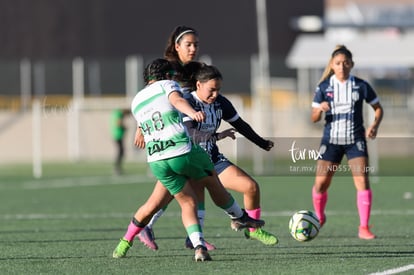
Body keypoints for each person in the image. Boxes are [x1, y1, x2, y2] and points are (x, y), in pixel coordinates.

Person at [112, 58, 265, 262]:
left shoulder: (136, 100)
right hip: (181, 150)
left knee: (183, 202)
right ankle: (239, 216)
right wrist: (192, 112)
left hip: (157, 160)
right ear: (167, 76)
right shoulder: (167, 85)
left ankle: (129, 243)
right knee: (212, 181)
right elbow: (177, 100)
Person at [310, 45, 384, 240]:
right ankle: (319, 216)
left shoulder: (360, 85)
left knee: (362, 181)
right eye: (338, 63)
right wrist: (320, 110)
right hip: (331, 141)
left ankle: (364, 227)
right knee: (321, 184)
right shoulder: (324, 87)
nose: (342, 66)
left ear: (352, 65)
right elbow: (314, 117)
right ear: (332, 65)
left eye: (345, 63)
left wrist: (374, 125)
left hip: (355, 140)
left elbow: (378, 108)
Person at [110, 108, 129, 175]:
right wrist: (124, 127)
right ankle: (117, 168)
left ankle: (118, 168)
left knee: (121, 152)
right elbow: (118, 123)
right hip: (118, 136)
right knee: (120, 152)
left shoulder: (116, 113)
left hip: (117, 135)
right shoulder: (119, 114)